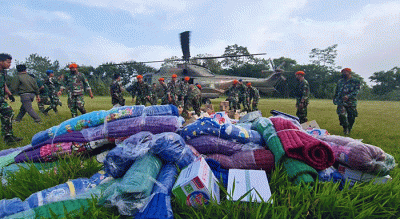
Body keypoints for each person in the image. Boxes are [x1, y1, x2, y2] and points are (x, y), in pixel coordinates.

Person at [0, 53, 23, 143]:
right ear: (0, 62)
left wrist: (10, 94)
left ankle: (8, 137)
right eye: (8, 62)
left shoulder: (4, 72)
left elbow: (4, 84)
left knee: (9, 113)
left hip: (1, 99)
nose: (9, 64)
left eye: (10, 62)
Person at [333, 68, 361, 135]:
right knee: (341, 115)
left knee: (351, 116)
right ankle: (345, 128)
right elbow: (337, 91)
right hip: (341, 101)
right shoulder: (340, 81)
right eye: (343, 72)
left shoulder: (355, 81)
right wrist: (335, 99)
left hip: (351, 102)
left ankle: (349, 128)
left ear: (349, 72)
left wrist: (348, 96)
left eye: (345, 72)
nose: (344, 73)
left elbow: (357, 90)